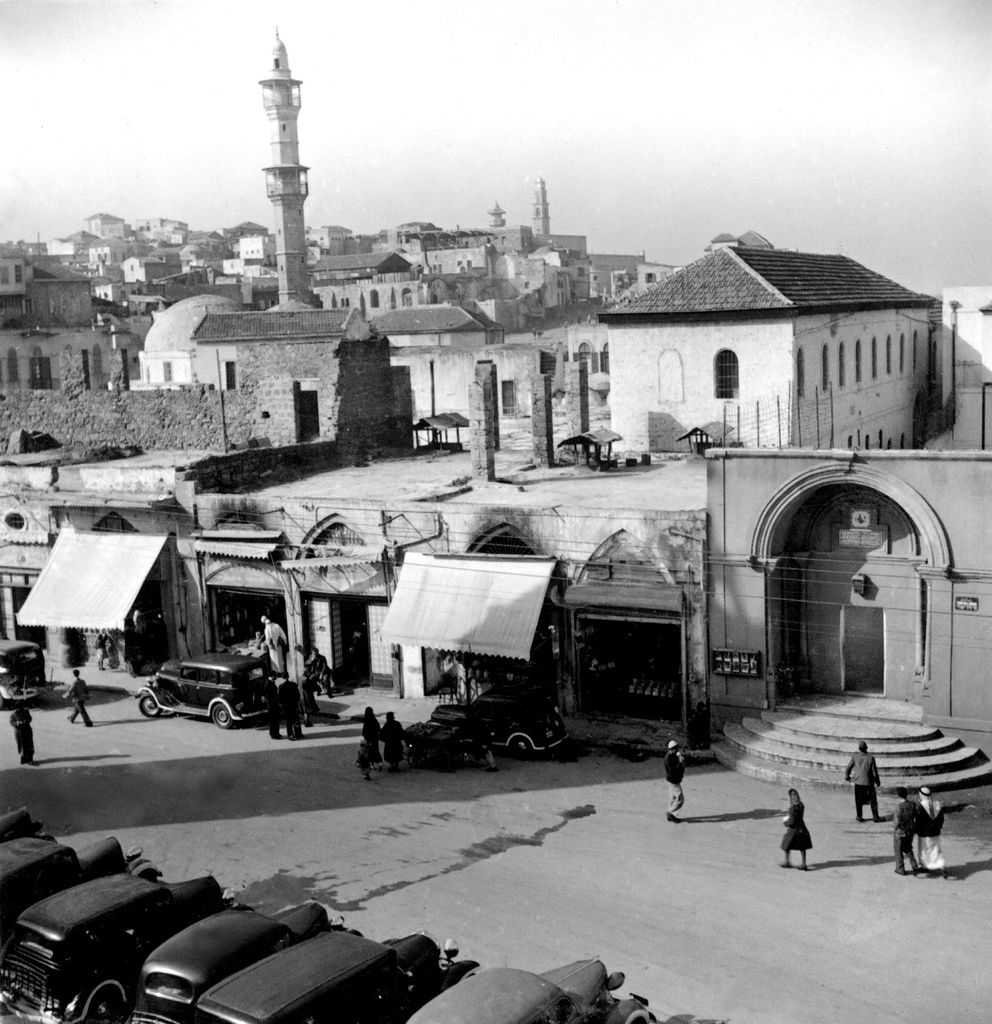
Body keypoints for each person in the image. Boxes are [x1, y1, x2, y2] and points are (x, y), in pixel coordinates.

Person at [844, 740, 882, 822]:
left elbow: (848, 768)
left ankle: (859, 816)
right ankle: (875, 817)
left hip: (858, 782)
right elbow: (874, 772)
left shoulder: (855, 757)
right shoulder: (871, 758)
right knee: (873, 800)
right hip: (868, 783)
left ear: (859, 749)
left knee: (858, 801)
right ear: (866, 748)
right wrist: (878, 781)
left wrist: (847, 777)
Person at [916, 786, 949, 878]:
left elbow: (919, 820)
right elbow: (941, 818)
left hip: (924, 833)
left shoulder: (922, 805)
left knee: (924, 851)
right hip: (936, 831)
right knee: (936, 850)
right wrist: (938, 827)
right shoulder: (937, 804)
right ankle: (941, 865)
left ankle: (925, 866)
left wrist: (917, 830)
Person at [780, 788, 812, 870]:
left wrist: (785, 823)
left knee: (786, 844)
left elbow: (792, 820)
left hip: (793, 830)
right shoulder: (801, 805)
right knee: (802, 847)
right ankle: (804, 864)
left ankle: (787, 861)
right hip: (802, 828)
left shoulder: (792, 808)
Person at [893, 786, 921, 875]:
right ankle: (914, 865)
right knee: (907, 847)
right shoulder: (912, 804)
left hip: (901, 831)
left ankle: (900, 868)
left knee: (898, 849)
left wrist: (895, 828)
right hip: (910, 830)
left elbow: (897, 821)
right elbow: (915, 816)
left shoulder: (898, 806)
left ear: (898, 795)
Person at [663, 739, 686, 823]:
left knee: (672, 798)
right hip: (673, 781)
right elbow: (673, 770)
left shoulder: (673, 755)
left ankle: (671, 815)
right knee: (680, 798)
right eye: (675, 749)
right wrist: (680, 762)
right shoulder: (667, 760)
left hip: (673, 780)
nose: (677, 750)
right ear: (671, 749)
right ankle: (671, 813)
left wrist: (680, 758)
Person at [278, 675, 303, 741]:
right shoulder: (294, 685)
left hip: (286, 707)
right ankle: (298, 734)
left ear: (282, 678)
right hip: (294, 705)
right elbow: (298, 695)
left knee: (288, 721)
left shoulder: (281, 686)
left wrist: (282, 705)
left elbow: (280, 698)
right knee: (296, 720)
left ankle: (290, 735)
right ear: (288, 677)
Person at [264, 675, 282, 740]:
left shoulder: (270, 683)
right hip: (272, 705)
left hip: (272, 704)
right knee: (274, 720)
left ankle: (275, 733)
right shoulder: (268, 684)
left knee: (274, 720)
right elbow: (270, 695)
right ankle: (274, 734)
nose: (276, 677)